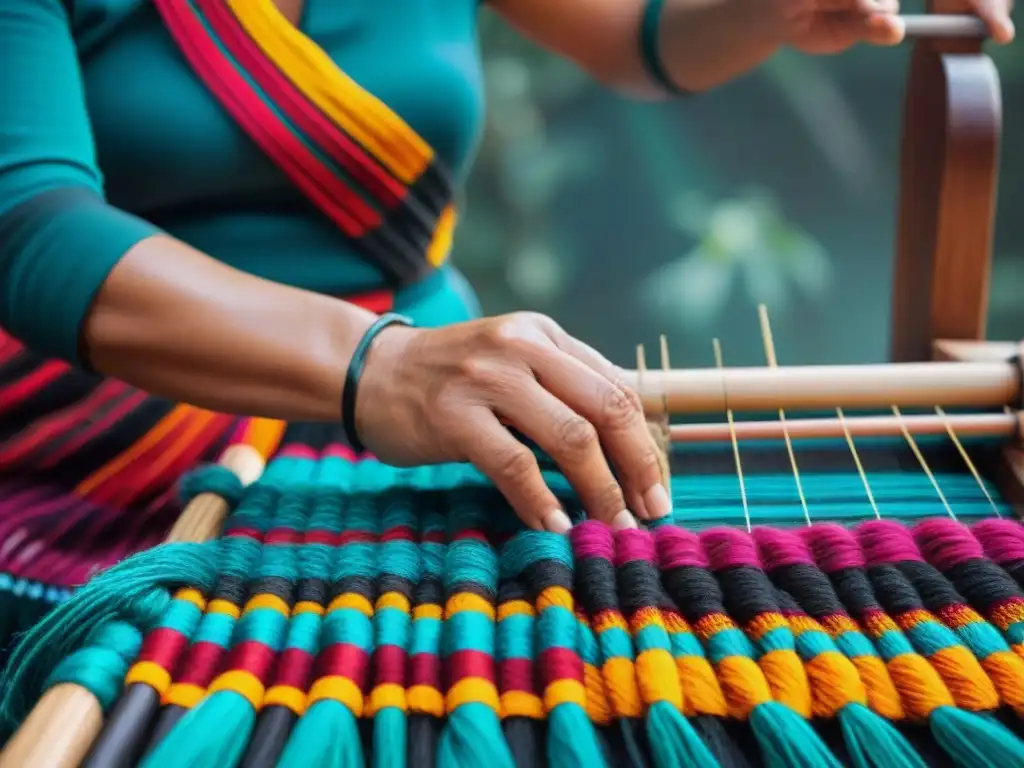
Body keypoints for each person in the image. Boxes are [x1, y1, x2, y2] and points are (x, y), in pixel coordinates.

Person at [0, 0, 1013, 646]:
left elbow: (639, 35)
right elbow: (27, 224)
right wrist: (381, 369)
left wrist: (770, 10)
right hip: (118, 444)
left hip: (433, 435)